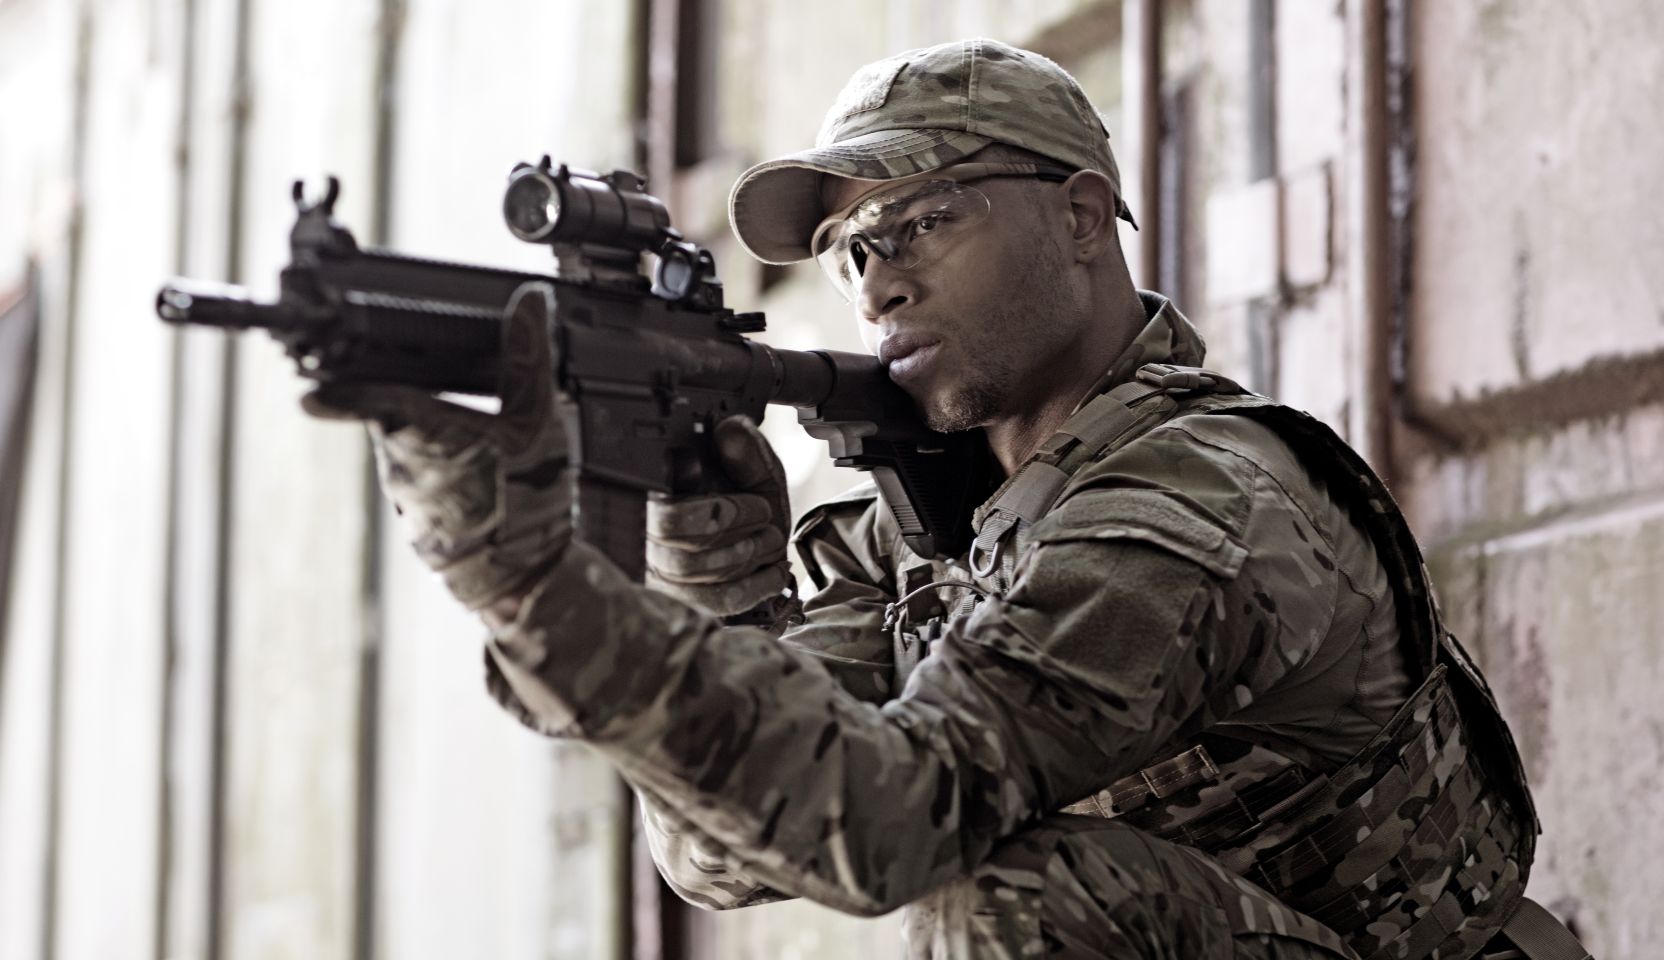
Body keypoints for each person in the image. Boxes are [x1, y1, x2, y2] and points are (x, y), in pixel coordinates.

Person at [305, 38, 1588, 960]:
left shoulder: (1195, 503)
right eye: (855, 251)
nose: (877, 284)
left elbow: (890, 825)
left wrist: (536, 591)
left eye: (921, 222)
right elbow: (718, 860)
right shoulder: (924, 513)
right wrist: (725, 590)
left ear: (1084, 216)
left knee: (1006, 902)